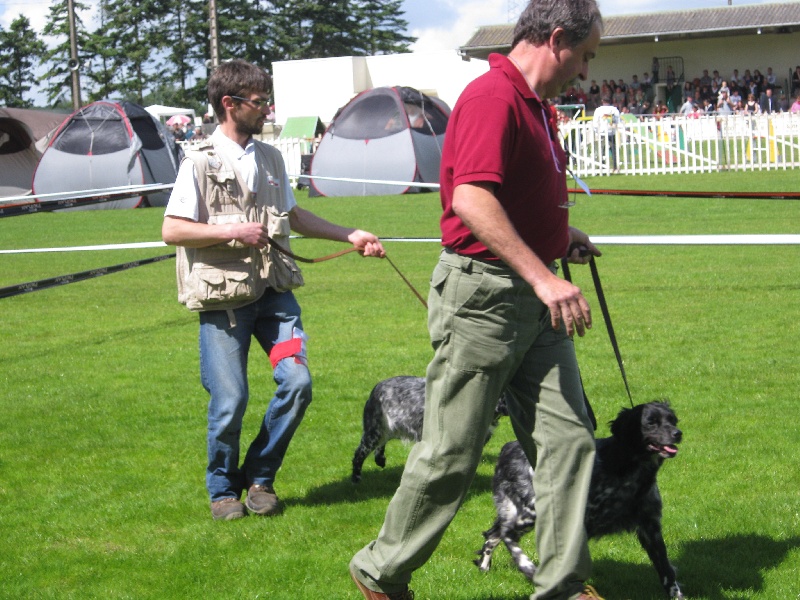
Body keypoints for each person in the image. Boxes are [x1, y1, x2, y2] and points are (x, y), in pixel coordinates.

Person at [349, 1, 604, 599]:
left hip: (532, 299)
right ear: (557, 38)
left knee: (569, 441)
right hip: (485, 299)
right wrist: (544, 277)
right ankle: (380, 571)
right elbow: (470, 199)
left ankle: (563, 583)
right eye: (585, 55)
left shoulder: (532, 104)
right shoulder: (493, 98)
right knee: (451, 452)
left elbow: (512, 197)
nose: (586, 71)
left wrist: (558, 238)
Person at [161, 59, 385, 522]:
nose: (267, 109)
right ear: (230, 104)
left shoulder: (271, 158)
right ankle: (223, 490)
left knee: (298, 383)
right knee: (230, 402)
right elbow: (172, 230)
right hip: (225, 303)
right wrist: (232, 232)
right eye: (260, 102)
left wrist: (350, 235)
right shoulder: (198, 161)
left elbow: (295, 216)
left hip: (275, 297)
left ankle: (260, 478)